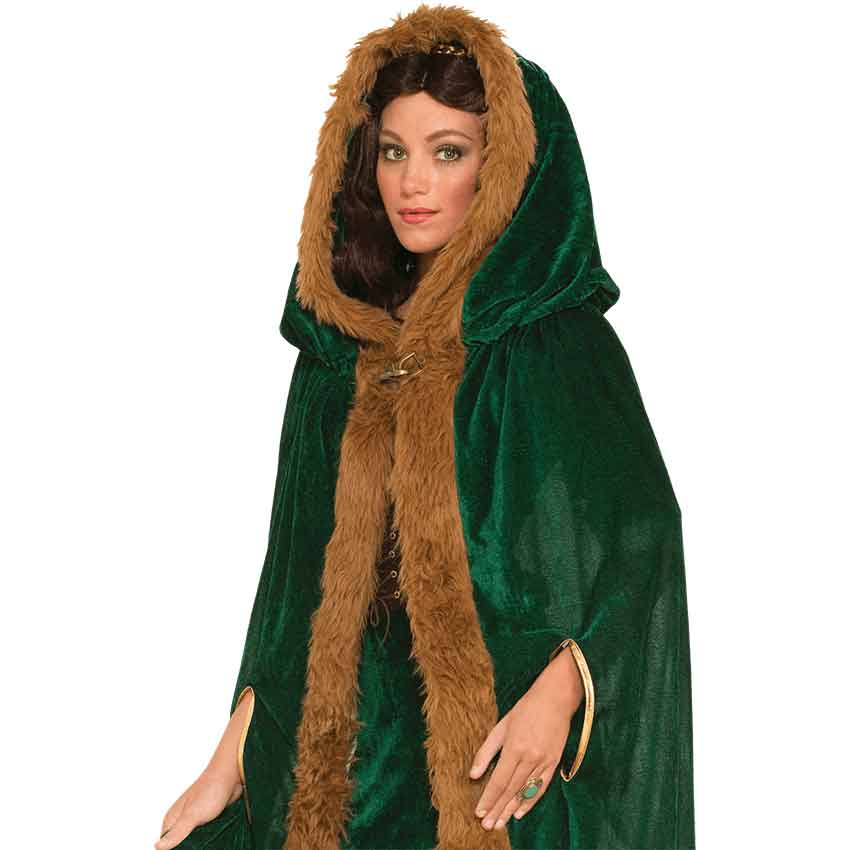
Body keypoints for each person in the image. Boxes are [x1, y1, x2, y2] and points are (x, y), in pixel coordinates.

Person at [155, 5, 695, 849]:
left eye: (449, 152)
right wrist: (228, 761)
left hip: (499, 767)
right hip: (355, 778)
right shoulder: (336, 358)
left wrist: (561, 695)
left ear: (503, 165)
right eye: (393, 152)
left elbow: (643, 544)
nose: (413, 183)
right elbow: (291, 583)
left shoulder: (552, 343)